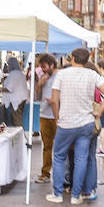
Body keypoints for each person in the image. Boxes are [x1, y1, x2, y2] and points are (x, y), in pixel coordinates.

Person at [48, 47, 104, 204]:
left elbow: (54, 100)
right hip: (86, 122)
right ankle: (76, 196)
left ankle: (57, 194)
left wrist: (57, 116)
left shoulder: (61, 74)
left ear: (72, 59)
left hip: (66, 122)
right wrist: (99, 113)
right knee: (81, 158)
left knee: (58, 156)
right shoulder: (93, 75)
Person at [33, 54, 59, 184]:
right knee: (46, 146)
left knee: (60, 146)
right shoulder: (44, 77)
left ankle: (61, 175)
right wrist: (40, 84)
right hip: (44, 114)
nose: (42, 69)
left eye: (44, 67)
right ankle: (45, 173)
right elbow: (37, 95)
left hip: (56, 116)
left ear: (52, 65)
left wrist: (55, 100)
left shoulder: (60, 76)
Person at [0, 56, 29, 127]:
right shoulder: (20, 73)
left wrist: (1, 89)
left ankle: (20, 136)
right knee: (18, 117)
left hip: (16, 100)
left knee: (17, 120)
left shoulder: (13, 74)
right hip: (22, 98)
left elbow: (9, 88)